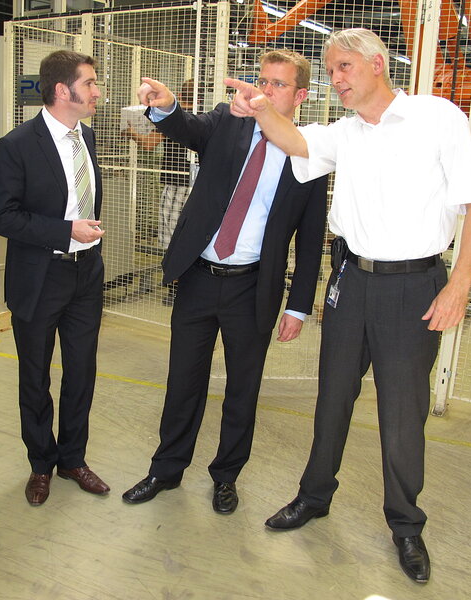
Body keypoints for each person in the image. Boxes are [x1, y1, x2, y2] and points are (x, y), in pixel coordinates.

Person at [227, 28, 471, 584]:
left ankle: (406, 525)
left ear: (376, 64)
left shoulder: (436, 117)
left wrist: (459, 284)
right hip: (351, 280)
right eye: (330, 71)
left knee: (402, 413)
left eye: (343, 67)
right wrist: (260, 108)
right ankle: (314, 495)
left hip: (414, 287)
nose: (335, 79)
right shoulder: (343, 133)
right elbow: (294, 141)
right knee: (332, 398)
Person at [122, 50, 328, 514]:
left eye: (278, 84)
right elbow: (188, 128)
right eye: (263, 80)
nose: (266, 90)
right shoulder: (228, 121)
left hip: (252, 287)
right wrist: (167, 106)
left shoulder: (308, 153)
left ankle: (226, 476)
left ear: (300, 96)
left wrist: (298, 306)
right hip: (199, 277)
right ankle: (166, 469)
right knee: (183, 381)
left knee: (242, 390)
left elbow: (312, 238)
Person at [0, 50, 109, 507]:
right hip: (40, 277)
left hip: (86, 274)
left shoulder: (87, 137)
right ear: (62, 90)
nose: (97, 91)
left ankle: (73, 459)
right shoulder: (16, 145)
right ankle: (41, 463)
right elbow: (1, 216)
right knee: (35, 376)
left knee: (82, 372)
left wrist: (83, 241)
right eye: (90, 83)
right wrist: (64, 231)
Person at [123, 79, 197, 305]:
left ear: (179, 95)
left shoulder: (172, 117)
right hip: (198, 184)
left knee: (171, 236)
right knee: (192, 234)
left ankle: (176, 286)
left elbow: (149, 144)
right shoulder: (204, 116)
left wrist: (130, 132)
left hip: (177, 183)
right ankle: (189, 285)